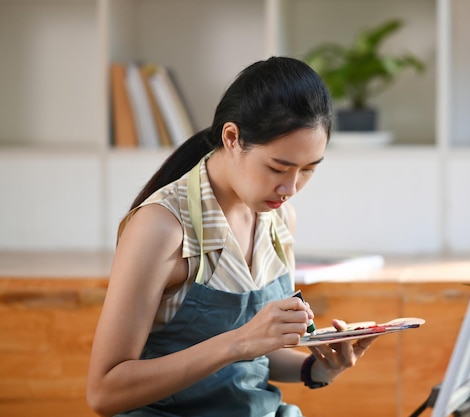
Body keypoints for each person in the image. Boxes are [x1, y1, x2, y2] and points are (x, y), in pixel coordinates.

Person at [86, 56, 377, 417]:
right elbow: (104, 391)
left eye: (308, 170)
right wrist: (239, 341)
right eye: (277, 167)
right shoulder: (162, 228)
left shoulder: (279, 218)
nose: (290, 187)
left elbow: (254, 357)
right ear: (232, 137)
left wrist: (317, 367)